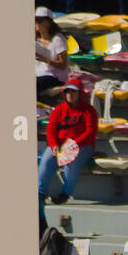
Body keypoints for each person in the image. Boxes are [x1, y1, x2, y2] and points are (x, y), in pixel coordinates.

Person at [38, 79, 96, 210]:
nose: (70, 94)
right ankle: (40, 193)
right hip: (60, 144)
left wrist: (73, 144)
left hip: (82, 145)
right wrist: (53, 144)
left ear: (80, 93)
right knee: (47, 158)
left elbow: (90, 132)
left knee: (71, 159)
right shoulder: (59, 109)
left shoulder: (88, 110)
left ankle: (65, 193)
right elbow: (51, 130)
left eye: (73, 91)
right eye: (67, 91)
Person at [35, 7, 70, 96]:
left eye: (39, 20)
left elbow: (63, 65)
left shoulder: (58, 39)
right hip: (39, 75)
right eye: (35, 20)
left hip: (55, 77)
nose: (36, 23)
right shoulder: (36, 40)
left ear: (48, 22)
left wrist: (46, 60)